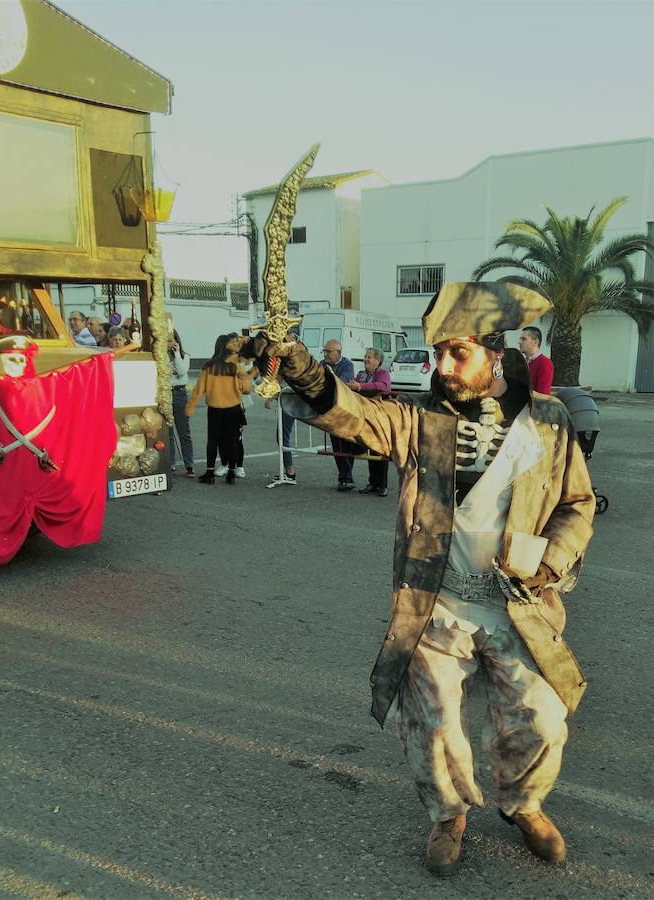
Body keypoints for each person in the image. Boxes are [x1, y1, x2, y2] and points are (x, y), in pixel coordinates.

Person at [245, 280, 595, 875]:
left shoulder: (550, 421)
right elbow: (354, 415)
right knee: (431, 726)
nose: (444, 366)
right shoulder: (421, 420)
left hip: (520, 604)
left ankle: (522, 804)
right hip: (437, 603)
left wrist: (553, 561)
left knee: (540, 720)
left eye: (458, 353)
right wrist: (302, 370)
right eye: (438, 354)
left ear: (495, 350)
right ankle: (448, 812)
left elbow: (577, 503)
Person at [186, 334, 252, 484]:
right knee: (232, 441)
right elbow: (246, 389)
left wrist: (190, 408)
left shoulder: (209, 367)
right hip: (233, 408)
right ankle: (231, 473)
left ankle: (209, 473)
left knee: (213, 440)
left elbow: (198, 390)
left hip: (214, 409)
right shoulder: (235, 366)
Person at [348, 348, 392, 497]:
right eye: (365, 357)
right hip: (364, 417)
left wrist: (361, 387)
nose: (366, 359)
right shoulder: (361, 374)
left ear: (378, 361)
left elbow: (384, 386)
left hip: (379, 417)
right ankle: (372, 483)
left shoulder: (383, 373)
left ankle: (382, 485)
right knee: (370, 449)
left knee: (380, 450)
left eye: (369, 357)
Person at [321, 339, 356, 490]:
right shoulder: (322, 364)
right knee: (336, 446)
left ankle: (346, 478)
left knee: (347, 446)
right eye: (324, 351)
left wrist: (327, 380)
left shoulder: (347, 365)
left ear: (339, 353)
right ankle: (345, 478)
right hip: (330, 412)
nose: (326, 354)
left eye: (329, 351)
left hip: (345, 411)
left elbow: (341, 383)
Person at [168, 329, 195, 477]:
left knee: (184, 431)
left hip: (179, 393)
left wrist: (177, 353)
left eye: (171, 340)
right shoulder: (161, 357)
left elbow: (181, 371)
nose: (169, 343)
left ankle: (189, 464)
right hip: (165, 393)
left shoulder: (185, 356)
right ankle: (170, 463)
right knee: (168, 433)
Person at [519, 325, 554, 394]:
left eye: (523, 339)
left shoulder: (545, 363)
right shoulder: (523, 362)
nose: (519, 342)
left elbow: (543, 394)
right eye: (520, 339)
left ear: (535, 342)